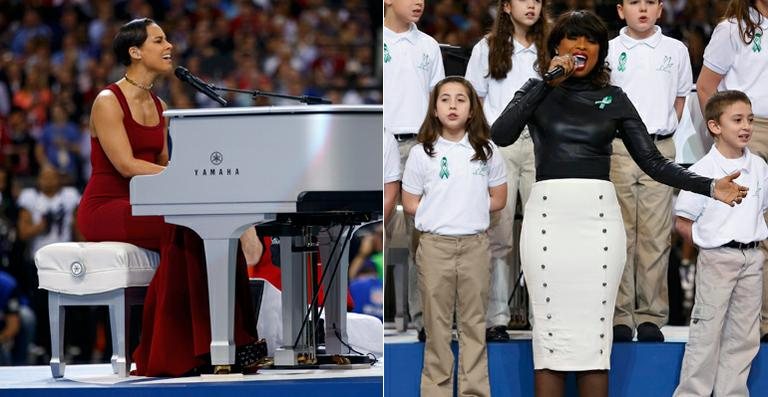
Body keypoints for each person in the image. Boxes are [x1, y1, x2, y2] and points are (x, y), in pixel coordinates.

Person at [490, 10, 747, 396]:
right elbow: (502, 133)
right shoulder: (538, 90)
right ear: (556, 46)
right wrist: (546, 81)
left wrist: (709, 186)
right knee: (551, 336)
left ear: (600, 50)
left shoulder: (613, 97)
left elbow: (655, 163)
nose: (580, 46)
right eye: (572, 38)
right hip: (548, 222)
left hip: (598, 224)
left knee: (595, 337)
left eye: (590, 39)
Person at [76, 18, 262, 376]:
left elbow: (163, 165)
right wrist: (194, 180)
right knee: (182, 227)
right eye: (159, 41)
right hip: (106, 206)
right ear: (135, 52)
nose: (169, 47)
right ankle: (173, 351)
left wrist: (205, 188)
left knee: (213, 225)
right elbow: (128, 166)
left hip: (147, 202)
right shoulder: (107, 101)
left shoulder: (159, 105)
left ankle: (231, 342)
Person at [402, 76, 507, 397]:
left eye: (461, 99)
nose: (452, 105)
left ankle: (474, 391)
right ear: (434, 109)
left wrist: (469, 209)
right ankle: (436, 391)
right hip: (435, 247)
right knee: (437, 328)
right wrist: (441, 214)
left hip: (474, 246)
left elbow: (498, 198)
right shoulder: (423, 153)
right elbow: (410, 201)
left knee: (475, 325)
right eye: (445, 99)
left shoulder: (486, 151)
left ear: (472, 110)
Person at [607, 0, 693, 342]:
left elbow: (681, 97)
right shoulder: (610, 49)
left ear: (660, 9)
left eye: (649, 3)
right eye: (633, 3)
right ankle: (620, 317)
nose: (641, 9)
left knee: (656, 237)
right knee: (621, 235)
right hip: (619, 148)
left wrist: (665, 128)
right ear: (620, 10)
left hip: (660, 145)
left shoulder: (676, 49)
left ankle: (651, 317)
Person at [465, 0, 549, 341]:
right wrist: (484, 146)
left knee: (541, 235)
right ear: (505, 6)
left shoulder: (553, 44)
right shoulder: (486, 48)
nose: (531, 5)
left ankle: (542, 317)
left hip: (542, 144)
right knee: (497, 236)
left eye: (538, 0)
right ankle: (496, 318)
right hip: (499, 145)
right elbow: (475, 101)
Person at [673, 90, 766, 396]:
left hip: (752, 259)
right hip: (717, 258)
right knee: (707, 333)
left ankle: (732, 392)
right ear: (714, 126)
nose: (746, 127)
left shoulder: (760, 167)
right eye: (737, 119)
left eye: (750, 120)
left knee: (744, 337)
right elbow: (683, 222)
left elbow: (762, 211)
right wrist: (707, 243)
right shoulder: (702, 170)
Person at [696, 0, 768, 342]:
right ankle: (761, 323)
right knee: (757, 228)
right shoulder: (732, 28)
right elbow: (707, 86)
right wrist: (724, 137)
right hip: (754, 129)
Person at [383, 0, 445, 342]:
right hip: (382, 142)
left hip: (421, 145)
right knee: (382, 231)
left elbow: (437, 100)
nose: (419, 2)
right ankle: (376, 321)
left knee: (423, 235)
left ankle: (424, 320)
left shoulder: (428, 45)